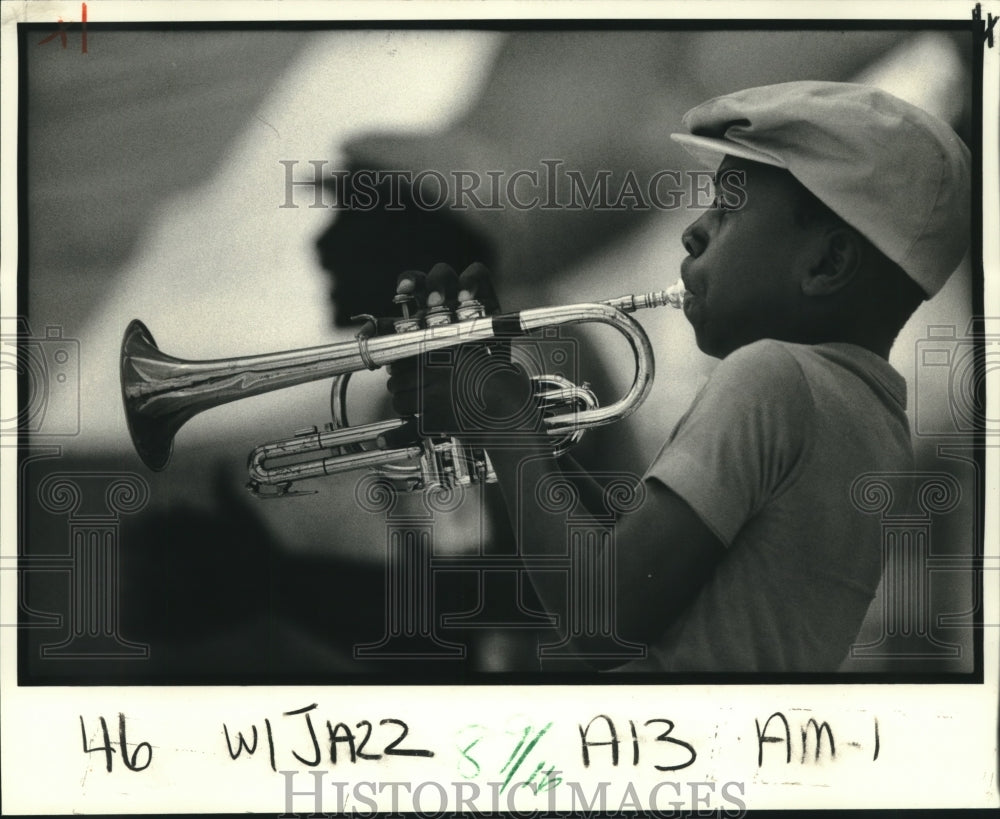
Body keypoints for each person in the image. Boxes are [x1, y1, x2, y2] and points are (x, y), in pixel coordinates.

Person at [383, 81, 971, 672]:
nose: (694, 232)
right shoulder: (873, 417)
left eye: (728, 208)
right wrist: (518, 430)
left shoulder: (772, 377)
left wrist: (505, 426)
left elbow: (602, 620)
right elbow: (644, 573)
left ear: (827, 263)